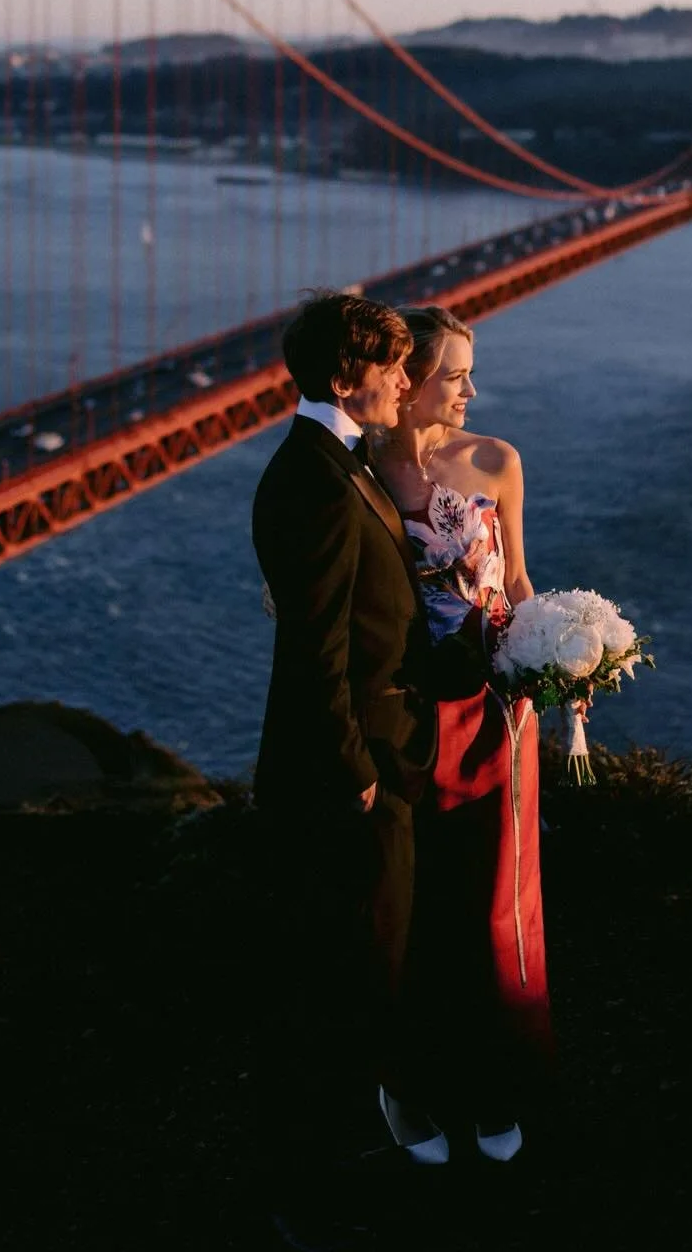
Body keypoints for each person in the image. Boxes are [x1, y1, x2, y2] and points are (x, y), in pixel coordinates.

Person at [251, 290, 444, 1225]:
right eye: (394, 365)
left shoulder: (337, 462)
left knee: (369, 967)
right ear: (343, 376)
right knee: (348, 979)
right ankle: (316, 1191)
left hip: (371, 759)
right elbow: (314, 648)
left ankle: (338, 1159)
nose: (408, 381)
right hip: (346, 779)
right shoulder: (318, 481)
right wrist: (355, 769)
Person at [372, 305, 554, 1162]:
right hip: (407, 718)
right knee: (415, 911)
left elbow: (514, 577)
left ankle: (496, 1080)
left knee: (494, 904)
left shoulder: (497, 461)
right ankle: (405, 1086)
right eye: (455, 375)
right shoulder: (359, 472)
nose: (472, 391)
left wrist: (557, 663)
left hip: (494, 714)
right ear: (407, 385)